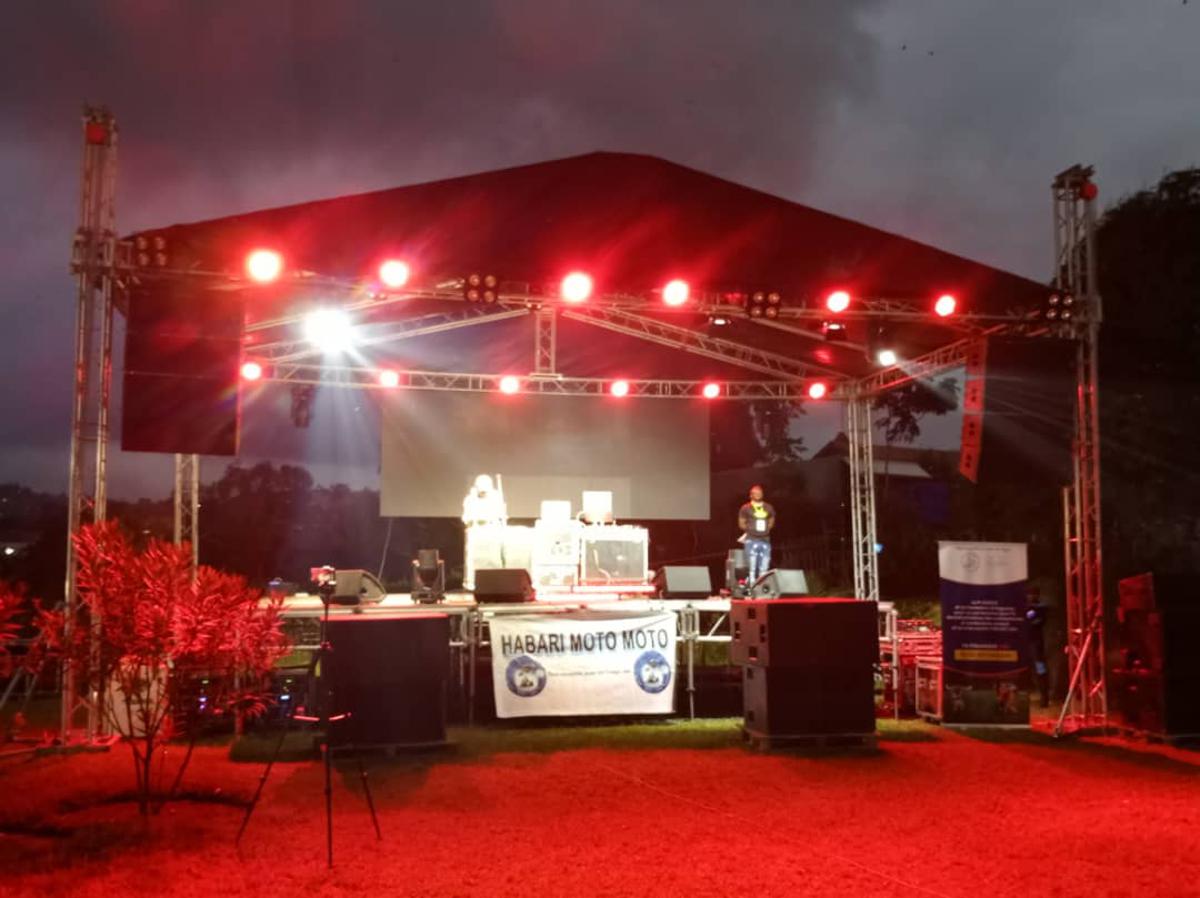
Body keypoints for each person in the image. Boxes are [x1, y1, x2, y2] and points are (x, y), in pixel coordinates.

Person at [462, 474, 507, 590]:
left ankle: (495, 581)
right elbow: (466, 517)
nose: (483, 492)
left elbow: (500, 515)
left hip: (492, 531)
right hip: (475, 532)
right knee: (473, 559)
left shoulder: (496, 498)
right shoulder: (470, 500)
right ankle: (472, 583)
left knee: (493, 558)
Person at [737, 484, 776, 591]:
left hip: (765, 540)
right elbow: (741, 523)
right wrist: (751, 530)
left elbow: (771, 521)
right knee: (752, 567)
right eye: (755, 493)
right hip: (751, 540)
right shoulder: (745, 508)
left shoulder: (768, 507)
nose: (758, 495)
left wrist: (765, 530)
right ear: (751, 495)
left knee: (764, 567)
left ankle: (762, 589)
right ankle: (751, 589)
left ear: (762, 494)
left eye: (760, 493)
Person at [1025, 586, 1050, 707]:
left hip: (1036, 644)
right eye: (1029, 594)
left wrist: (1028, 616)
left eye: (1033, 594)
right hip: (1025, 643)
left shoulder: (1040, 608)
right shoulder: (1025, 606)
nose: (1031, 596)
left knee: (1040, 670)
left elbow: (1036, 620)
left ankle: (1044, 697)